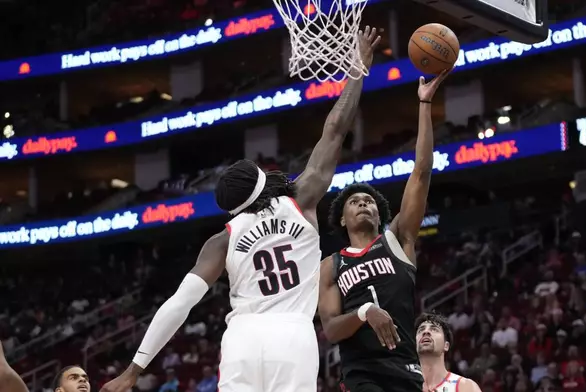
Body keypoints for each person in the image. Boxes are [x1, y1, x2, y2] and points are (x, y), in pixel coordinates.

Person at [100, 26, 382, 392]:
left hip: (242, 339)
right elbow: (335, 129)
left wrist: (133, 371)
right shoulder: (300, 198)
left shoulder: (222, 239)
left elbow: (179, 304)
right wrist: (357, 67)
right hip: (292, 335)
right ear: (264, 181)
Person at [318, 69, 450, 392]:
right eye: (354, 202)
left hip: (405, 369)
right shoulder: (331, 265)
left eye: (369, 201)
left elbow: (421, 172)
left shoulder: (398, 239)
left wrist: (425, 104)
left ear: (380, 214)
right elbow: (332, 330)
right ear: (343, 220)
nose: (363, 204)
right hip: (361, 372)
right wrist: (366, 312)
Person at [415, 312, 480, 392]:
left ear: (446, 345)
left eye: (434, 329)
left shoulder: (465, 387)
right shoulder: (403, 385)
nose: (426, 332)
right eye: (421, 330)